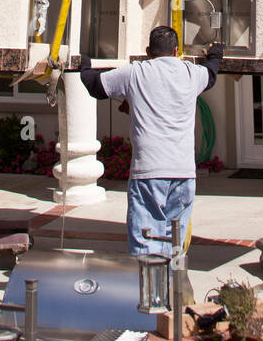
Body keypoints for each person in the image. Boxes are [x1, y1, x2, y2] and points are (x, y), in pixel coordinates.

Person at [79, 26, 222, 256]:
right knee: (174, 245)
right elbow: (212, 72)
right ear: (177, 51)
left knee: (146, 247)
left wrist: (83, 62)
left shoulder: (135, 73)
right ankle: (170, 289)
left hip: (149, 173)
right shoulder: (191, 73)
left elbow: (95, 85)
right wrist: (216, 53)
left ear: (148, 51)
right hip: (183, 175)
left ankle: (149, 291)